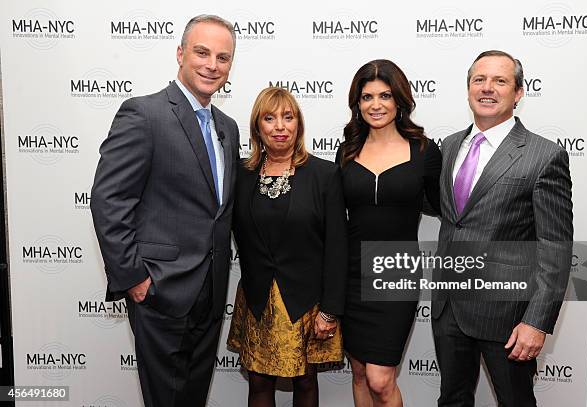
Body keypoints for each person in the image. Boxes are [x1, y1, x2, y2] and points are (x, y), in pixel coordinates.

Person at [90, 15, 239, 407]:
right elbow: (109, 200)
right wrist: (134, 278)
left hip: (210, 293)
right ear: (180, 53)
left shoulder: (229, 127)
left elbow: (217, 209)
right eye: (202, 52)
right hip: (160, 291)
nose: (212, 65)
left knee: (191, 399)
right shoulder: (144, 114)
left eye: (223, 57)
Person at [432, 50, 573, 406]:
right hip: (448, 307)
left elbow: (555, 250)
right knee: (452, 400)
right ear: (468, 90)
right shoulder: (448, 147)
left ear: (518, 92)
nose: (487, 88)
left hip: (508, 317)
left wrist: (537, 322)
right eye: (479, 80)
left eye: (500, 81)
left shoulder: (543, 155)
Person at [227, 87, 348, 407]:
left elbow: (338, 246)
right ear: (257, 128)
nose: (280, 126)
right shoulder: (240, 174)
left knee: (305, 380)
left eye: (288, 117)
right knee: (258, 380)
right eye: (269, 118)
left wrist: (330, 310)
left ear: (299, 125)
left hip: (306, 301)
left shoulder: (324, 175)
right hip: (257, 298)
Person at [336, 59, 442, 407]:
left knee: (381, 380)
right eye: (367, 97)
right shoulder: (348, 150)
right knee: (359, 372)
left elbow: (445, 207)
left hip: (397, 272)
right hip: (351, 272)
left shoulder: (424, 151)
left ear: (399, 101)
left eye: (384, 95)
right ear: (357, 103)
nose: (376, 105)